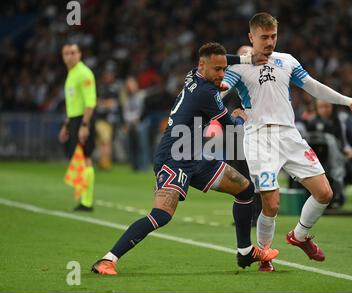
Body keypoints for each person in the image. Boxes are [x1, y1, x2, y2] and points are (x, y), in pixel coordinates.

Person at [91, 42, 278, 275]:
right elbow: (231, 128)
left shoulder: (194, 75)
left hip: (195, 155)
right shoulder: (207, 93)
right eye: (217, 70)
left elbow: (222, 59)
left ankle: (245, 251)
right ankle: (107, 260)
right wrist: (240, 116)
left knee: (245, 190)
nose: (222, 74)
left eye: (223, 69)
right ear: (203, 65)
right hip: (174, 157)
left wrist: (247, 60)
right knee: (161, 215)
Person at [222, 13, 352, 272]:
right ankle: (265, 257)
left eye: (273, 36)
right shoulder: (239, 67)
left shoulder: (287, 61)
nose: (270, 41)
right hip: (259, 138)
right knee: (271, 203)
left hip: (290, 135)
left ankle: (300, 236)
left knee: (325, 192)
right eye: (264, 37)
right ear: (251, 37)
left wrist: (350, 101)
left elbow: (314, 86)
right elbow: (218, 90)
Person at [307, 100, 352, 211]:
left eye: (327, 106)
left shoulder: (343, 119)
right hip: (321, 159)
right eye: (321, 107)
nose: (324, 110)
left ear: (332, 106)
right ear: (316, 108)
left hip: (346, 156)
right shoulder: (312, 122)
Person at [223, 45, 263, 227]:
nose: (245, 58)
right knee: (239, 175)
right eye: (241, 55)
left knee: (256, 174)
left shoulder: (260, 81)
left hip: (258, 133)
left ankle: (258, 215)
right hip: (236, 135)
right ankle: (246, 215)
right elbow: (220, 103)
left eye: (248, 54)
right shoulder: (230, 81)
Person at [58, 43, 97, 212]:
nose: (69, 56)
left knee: (86, 157)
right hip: (74, 119)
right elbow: (73, 104)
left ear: (80, 54)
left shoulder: (84, 73)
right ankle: (83, 198)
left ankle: (87, 202)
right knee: (79, 158)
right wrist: (66, 125)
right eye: (66, 53)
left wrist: (85, 125)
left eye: (73, 52)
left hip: (83, 119)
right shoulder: (72, 74)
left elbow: (90, 102)